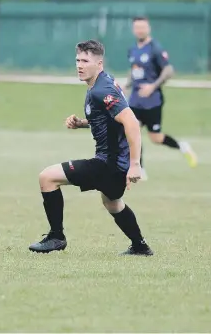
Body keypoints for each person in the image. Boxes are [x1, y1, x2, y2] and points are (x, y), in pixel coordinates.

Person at [29, 40, 153, 256]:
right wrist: (83, 123)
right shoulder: (102, 83)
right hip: (114, 164)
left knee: (47, 177)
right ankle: (140, 246)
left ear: (99, 63)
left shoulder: (101, 90)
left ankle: (56, 237)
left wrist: (135, 165)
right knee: (112, 202)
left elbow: (131, 123)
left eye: (85, 61)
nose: (79, 65)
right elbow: (110, 119)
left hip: (109, 164)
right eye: (78, 60)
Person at [125, 16, 197, 179]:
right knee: (132, 131)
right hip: (135, 100)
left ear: (148, 28)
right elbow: (134, 70)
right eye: (137, 28)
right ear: (133, 29)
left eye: (142, 27)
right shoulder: (132, 49)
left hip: (152, 101)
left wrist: (153, 86)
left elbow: (168, 70)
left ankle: (182, 146)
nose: (140, 30)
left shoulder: (155, 48)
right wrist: (127, 84)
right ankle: (140, 169)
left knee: (156, 138)